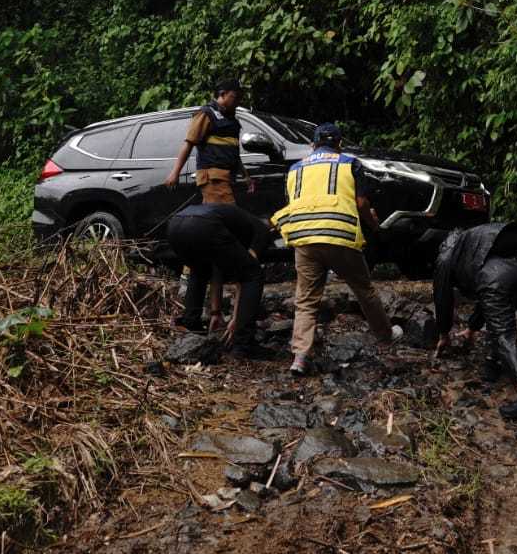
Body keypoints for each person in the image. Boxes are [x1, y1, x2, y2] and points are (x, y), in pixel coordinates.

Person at [270, 122, 392, 376]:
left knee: (305, 299)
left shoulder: (294, 169)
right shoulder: (350, 163)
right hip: (340, 237)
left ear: (313, 145)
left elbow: (295, 202)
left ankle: (300, 357)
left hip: (304, 238)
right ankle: (385, 336)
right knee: (364, 289)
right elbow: (361, 202)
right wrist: (374, 225)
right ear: (339, 144)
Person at [428, 221, 517, 422]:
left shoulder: (446, 257)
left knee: (503, 333)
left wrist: (443, 333)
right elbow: (488, 298)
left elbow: (442, 298)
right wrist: (472, 328)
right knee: (500, 318)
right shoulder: (474, 240)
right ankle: (493, 363)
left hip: (498, 279)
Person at [165, 80, 254, 329]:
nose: (237, 102)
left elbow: (234, 154)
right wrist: (175, 172)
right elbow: (189, 144)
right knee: (225, 234)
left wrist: (245, 176)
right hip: (212, 180)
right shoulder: (205, 115)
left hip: (227, 179)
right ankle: (213, 303)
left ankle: (212, 309)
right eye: (234, 97)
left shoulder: (233, 122)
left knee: (213, 245)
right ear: (221, 95)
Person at [165, 201, 275, 359]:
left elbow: (216, 271)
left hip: (175, 225)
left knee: (200, 270)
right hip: (204, 224)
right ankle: (243, 345)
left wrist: (215, 313)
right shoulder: (261, 233)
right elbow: (243, 279)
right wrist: (236, 321)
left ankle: (192, 327)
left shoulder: (235, 225)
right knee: (253, 274)